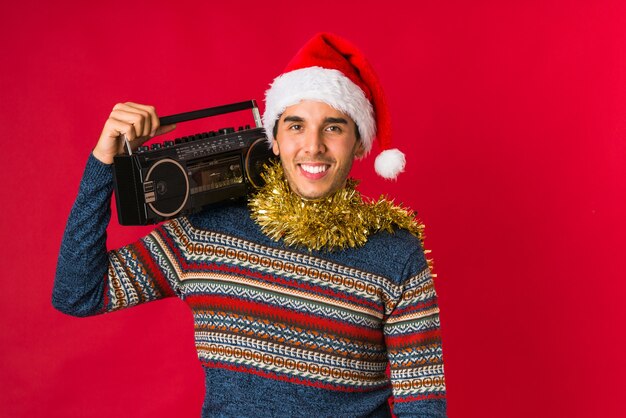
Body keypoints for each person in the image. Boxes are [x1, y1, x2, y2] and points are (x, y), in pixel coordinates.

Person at [53, 33, 447, 417]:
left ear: (359, 143)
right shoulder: (204, 233)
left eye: (333, 127)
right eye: (295, 126)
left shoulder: (397, 256)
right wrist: (104, 163)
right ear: (273, 139)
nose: (313, 146)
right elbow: (80, 293)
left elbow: (423, 407)